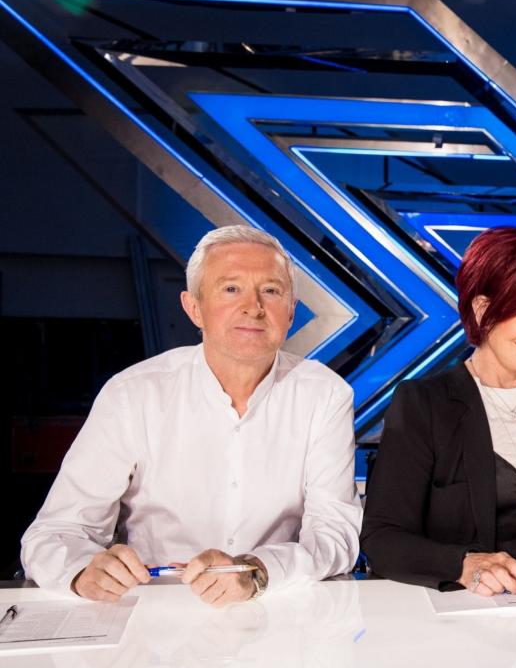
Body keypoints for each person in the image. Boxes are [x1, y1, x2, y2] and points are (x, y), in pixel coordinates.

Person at [21, 225, 362, 605]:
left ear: (291, 313)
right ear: (194, 308)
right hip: (152, 613)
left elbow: (335, 535)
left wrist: (258, 570)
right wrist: (83, 571)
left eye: (271, 290)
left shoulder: (324, 394)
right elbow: (56, 532)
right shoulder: (134, 394)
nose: (254, 306)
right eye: (231, 289)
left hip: (274, 608)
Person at [362, 228, 516, 595]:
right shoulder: (424, 402)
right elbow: (382, 539)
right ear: (482, 309)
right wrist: (465, 564)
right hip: (458, 620)